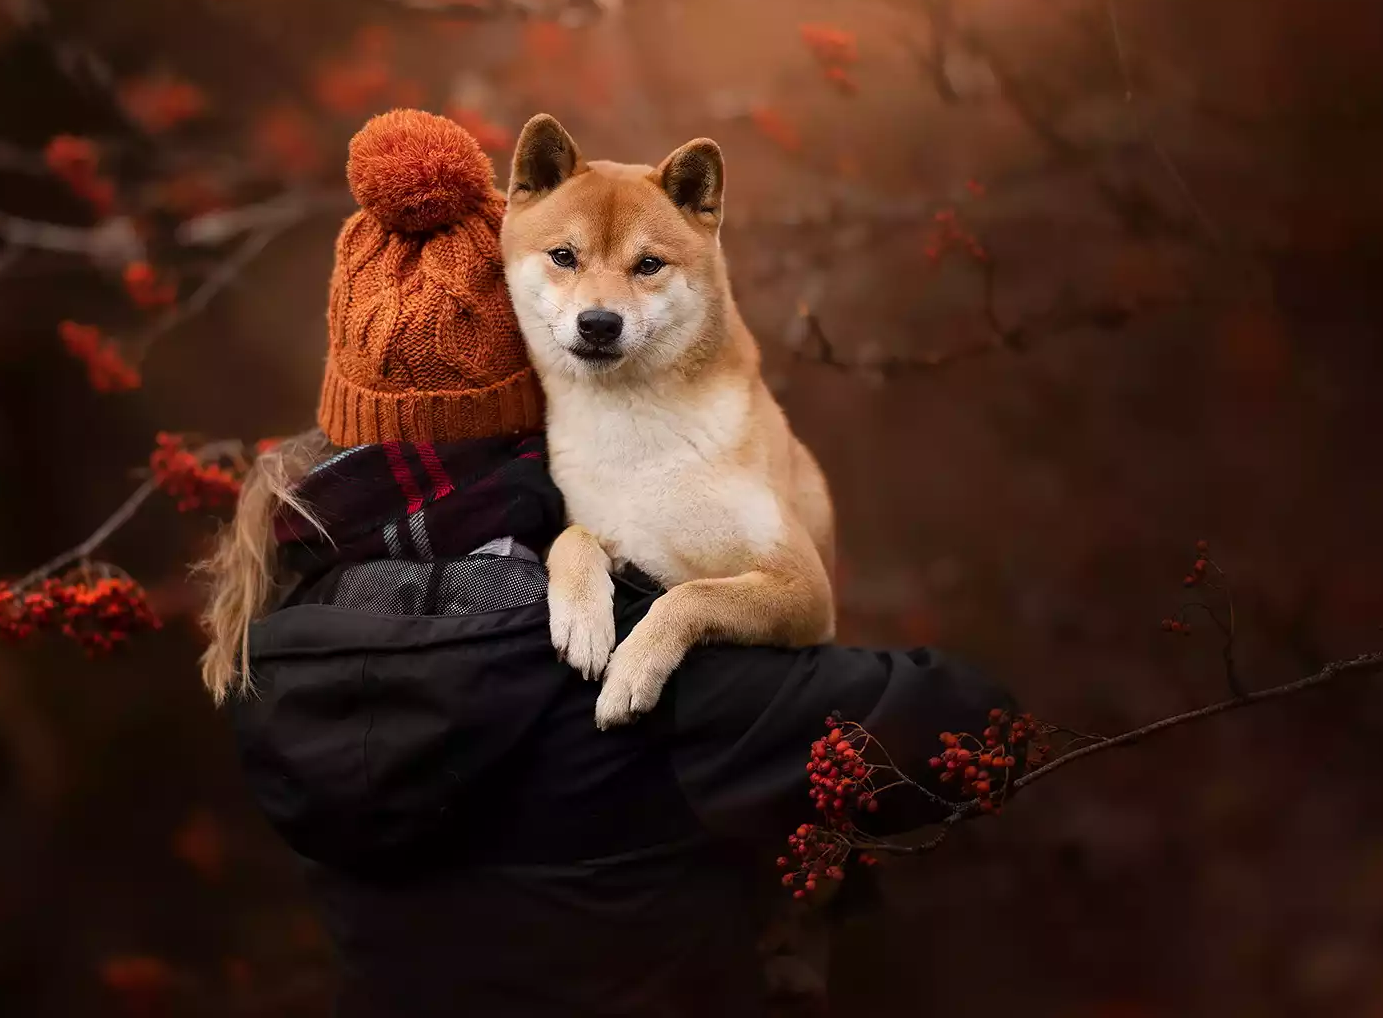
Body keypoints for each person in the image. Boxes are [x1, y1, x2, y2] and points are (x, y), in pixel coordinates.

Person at [201, 110, 1014, 1018]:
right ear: (526, 410)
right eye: (566, 268)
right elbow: (974, 729)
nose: (598, 302)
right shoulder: (629, 668)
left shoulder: (272, 652)